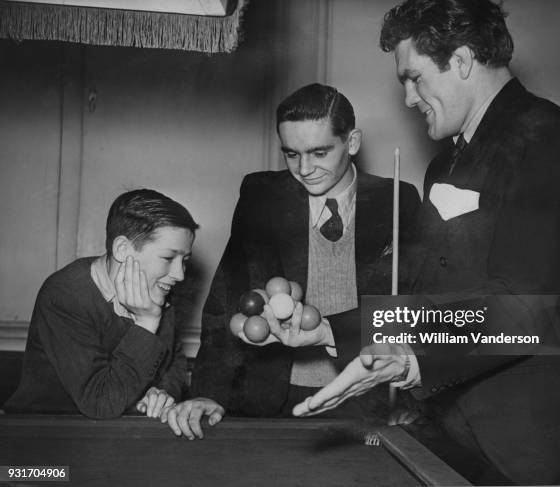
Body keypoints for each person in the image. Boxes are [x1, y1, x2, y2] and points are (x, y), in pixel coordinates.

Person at [293, 1, 560, 485]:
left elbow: (524, 306)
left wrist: (413, 357)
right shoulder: (445, 164)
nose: (408, 97)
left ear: (461, 61)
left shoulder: (549, 141)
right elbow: (427, 301)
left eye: (414, 77)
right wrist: (331, 331)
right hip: (455, 435)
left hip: (534, 449)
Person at [168, 83, 421, 439]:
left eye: (319, 153)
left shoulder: (398, 200)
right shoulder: (261, 196)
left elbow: (414, 306)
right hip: (271, 398)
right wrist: (208, 393)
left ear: (352, 143)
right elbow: (225, 301)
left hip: (365, 397)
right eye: (291, 154)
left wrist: (408, 398)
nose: (304, 168)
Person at [3, 189, 196, 419]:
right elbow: (101, 403)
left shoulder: (159, 291)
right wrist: (146, 322)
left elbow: (173, 363)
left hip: (116, 435)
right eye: (168, 258)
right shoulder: (65, 295)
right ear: (122, 250)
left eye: (184, 260)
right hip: (43, 435)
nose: (179, 275)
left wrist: (160, 395)